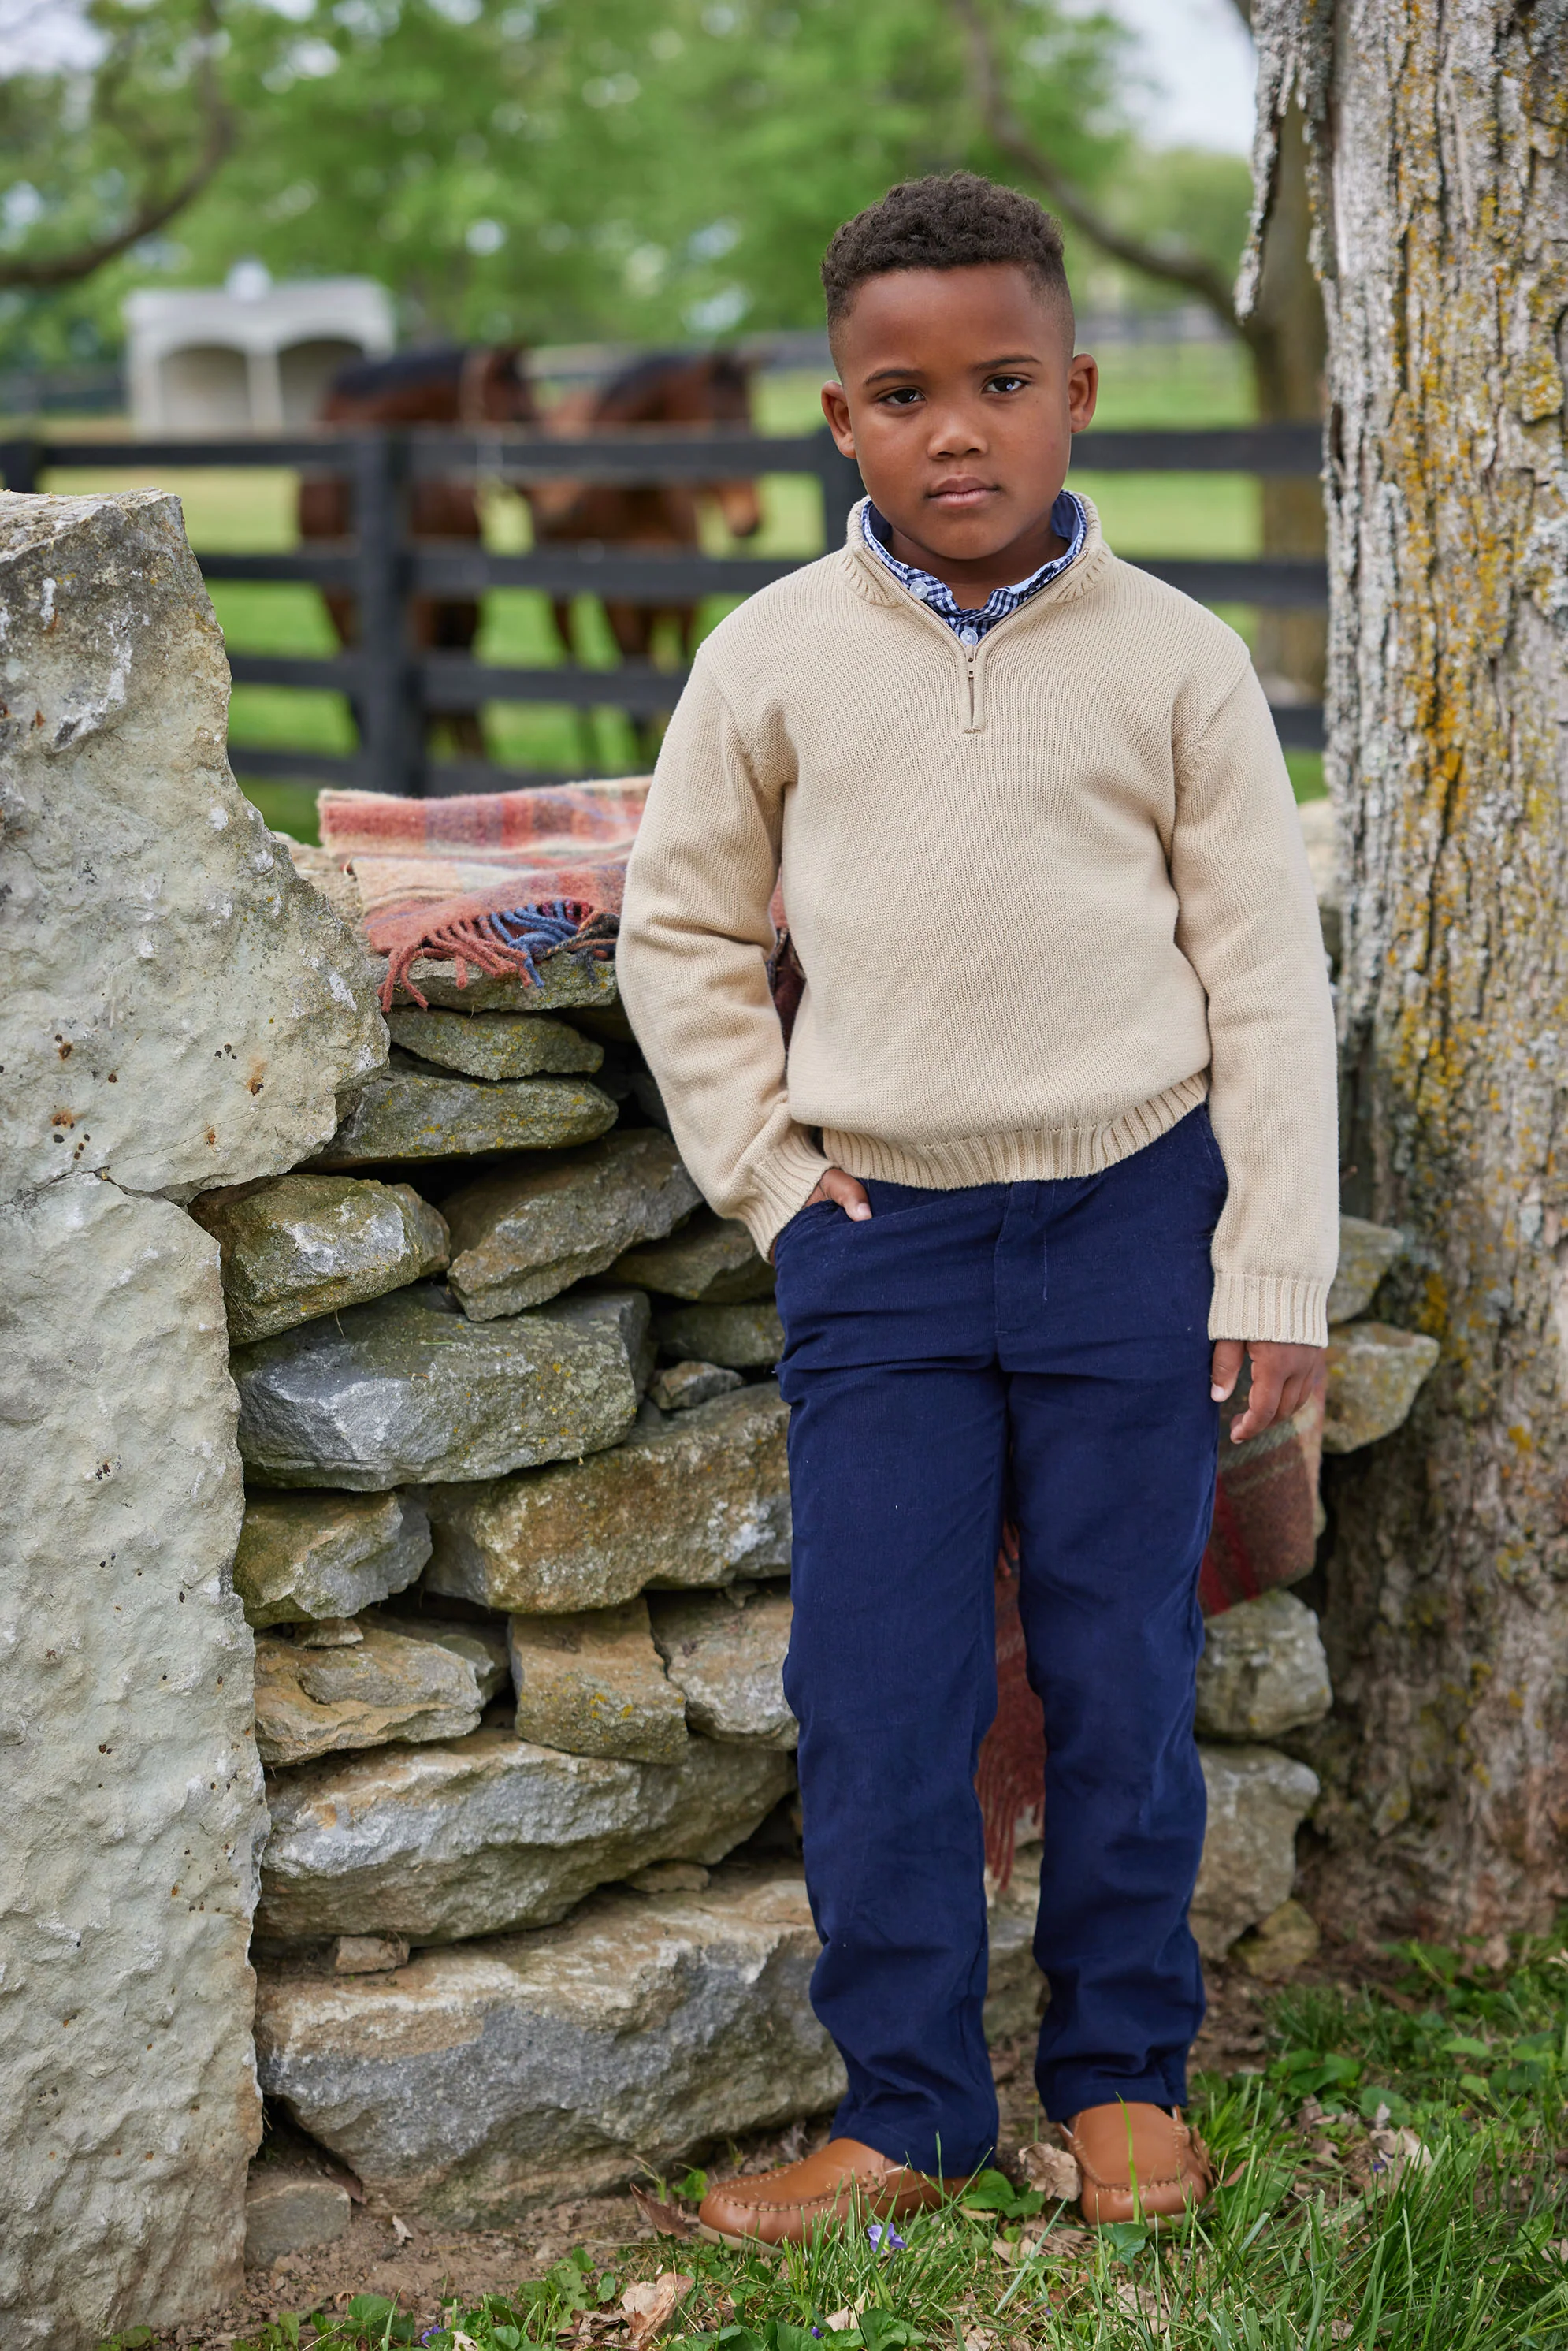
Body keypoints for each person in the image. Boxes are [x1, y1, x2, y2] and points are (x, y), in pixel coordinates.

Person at [617, 171, 1336, 2245]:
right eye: (902, 392)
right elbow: (673, 925)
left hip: (1133, 1218)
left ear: (1078, 392)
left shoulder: (1176, 665)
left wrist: (1269, 1255)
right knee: (877, 1682)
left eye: (999, 381)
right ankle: (907, 2107)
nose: (956, 429)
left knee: (1117, 1669)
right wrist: (769, 1173)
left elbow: (1260, 982)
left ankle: (1122, 2071)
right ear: (837, 420)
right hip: (886, 1247)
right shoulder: (766, 659)